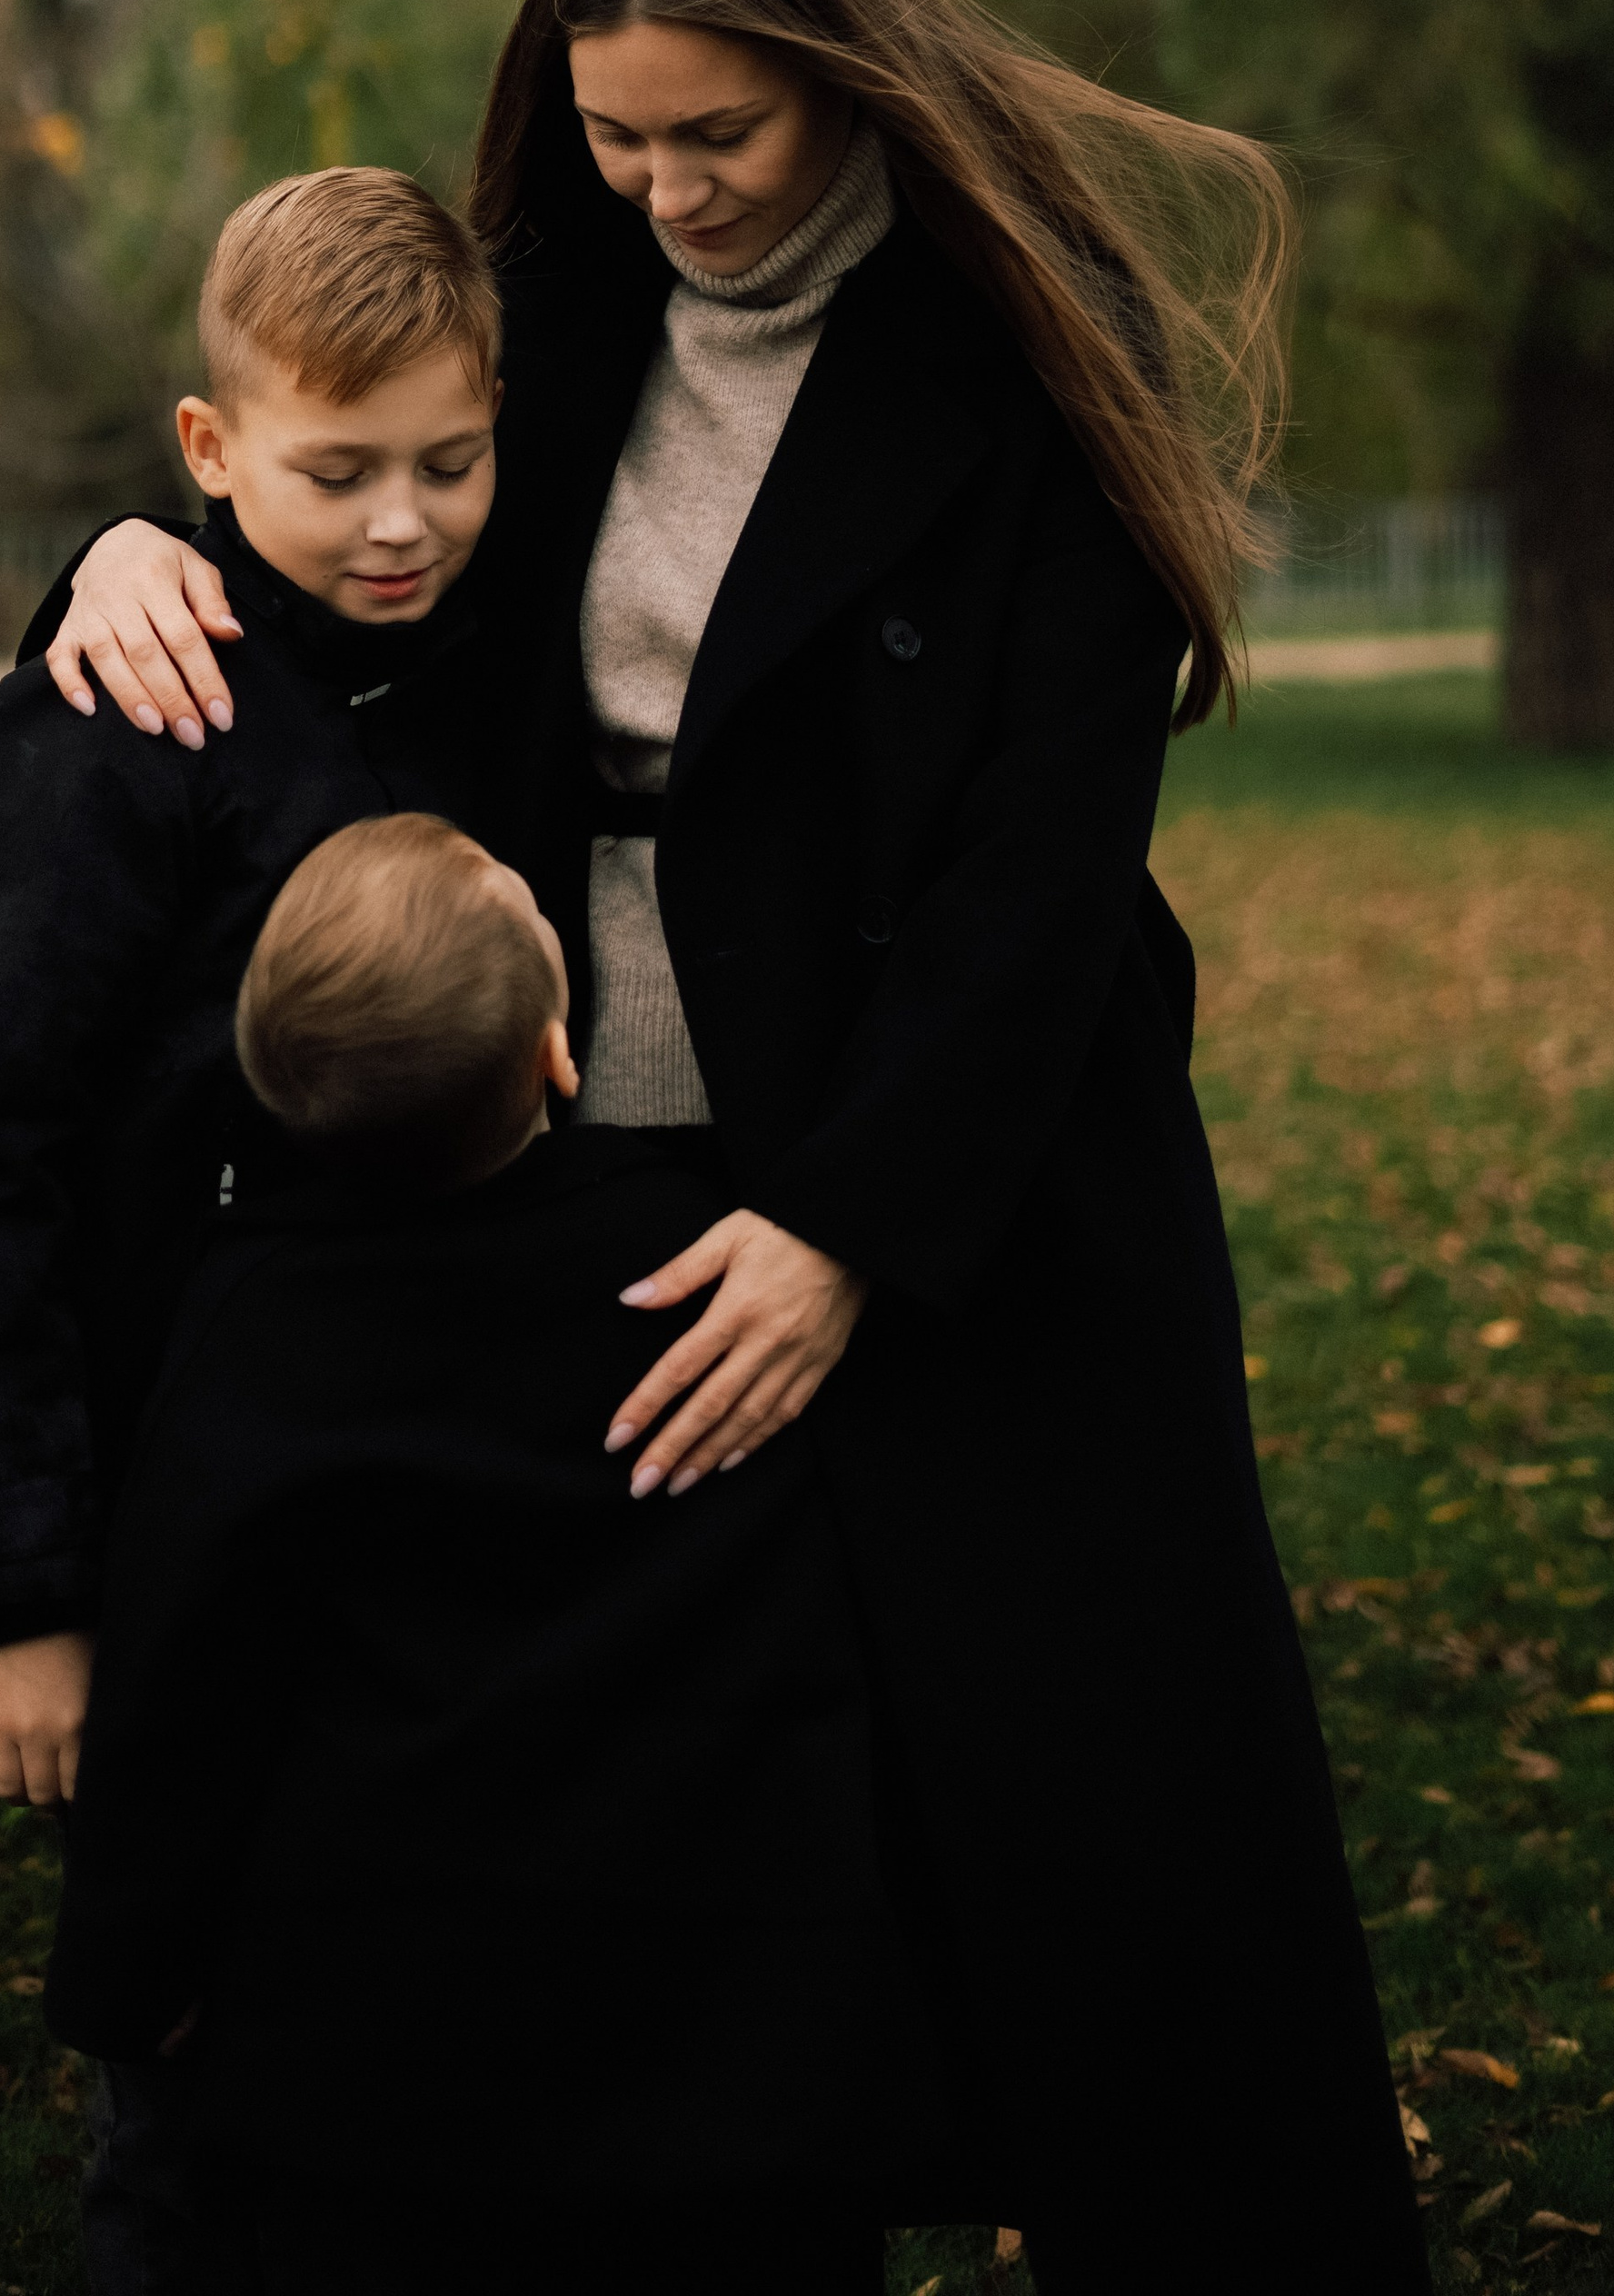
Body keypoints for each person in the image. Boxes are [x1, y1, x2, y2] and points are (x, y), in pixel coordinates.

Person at [35, 0, 1432, 2292]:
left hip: (977, 1183)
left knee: (1104, 1860)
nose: (665, 184)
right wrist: (134, 556)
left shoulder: (1028, 339)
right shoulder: (552, 299)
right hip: (572, 1160)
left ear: (845, 65)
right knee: (690, 1875)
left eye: (719, 130)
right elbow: (348, 499)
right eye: (612, 129)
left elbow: (1043, 869)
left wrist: (855, 1226)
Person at [49, 811, 956, 2296]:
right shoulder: (702, 1270)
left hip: (389, 2043)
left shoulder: (258, 1322)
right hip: (727, 2010)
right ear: (558, 1050)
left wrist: (128, 1968)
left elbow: (181, 1669)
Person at [0, 167, 514, 2293]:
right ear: (207, 448)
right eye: (335, 472)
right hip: (183, 1515)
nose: (402, 519)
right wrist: (16, 1593)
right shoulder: (109, 722)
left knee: (429, 2027)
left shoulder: (477, 672)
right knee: (193, 2050)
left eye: (451, 458)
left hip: (436, 1490)